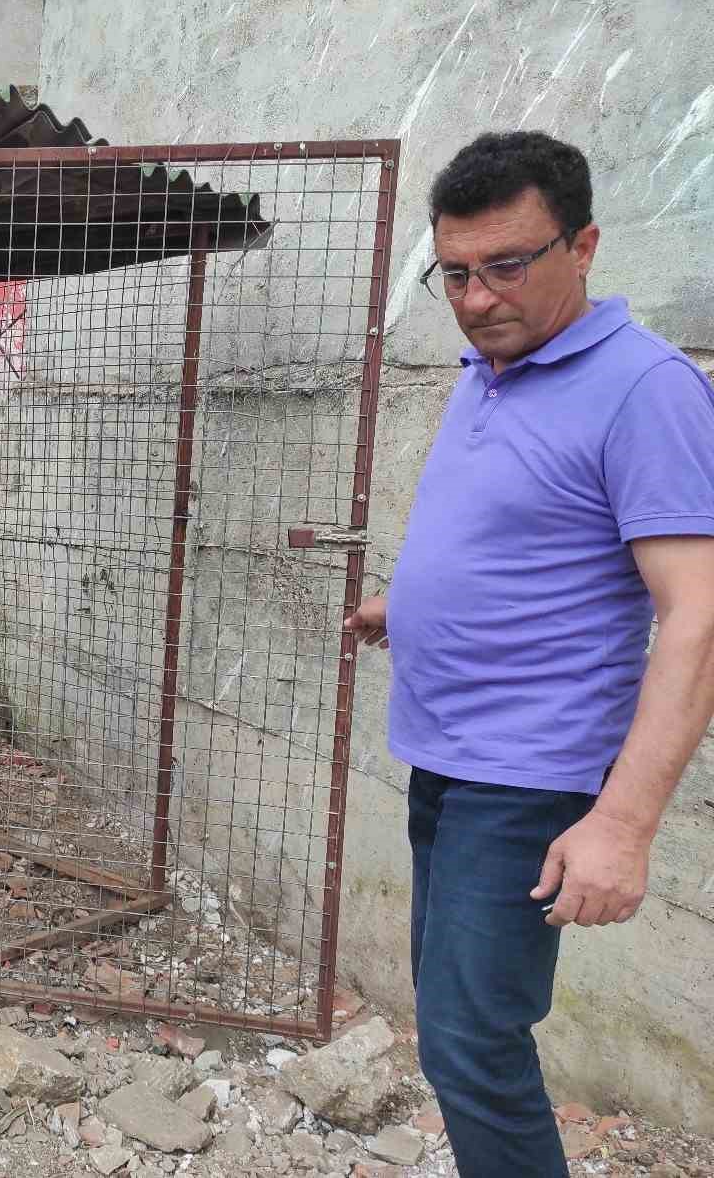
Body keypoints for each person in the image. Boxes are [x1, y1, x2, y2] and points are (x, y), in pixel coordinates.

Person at [344, 130, 714, 1177]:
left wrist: (624, 825)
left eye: (506, 265)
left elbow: (698, 615)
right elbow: (532, 537)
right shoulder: (495, 365)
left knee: (470, 1043)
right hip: (450, 758)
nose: (474, 298)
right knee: (454, 1025)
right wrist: (407, 608)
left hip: (526, 775)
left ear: (583, 244)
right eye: (452, 273)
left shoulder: (646, 391)